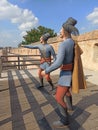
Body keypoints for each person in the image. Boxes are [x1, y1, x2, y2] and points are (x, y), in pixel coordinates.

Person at [41, 17, 79, 128]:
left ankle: (64, 120)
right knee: (67, 92)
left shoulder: (63, 44)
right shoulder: (72, 41)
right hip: (71, 73)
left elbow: (58, 63)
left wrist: (46, 71)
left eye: (61, 29)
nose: (59, 31)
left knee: (58, 97)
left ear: (65, 31)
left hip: (66, 74)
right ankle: (70, 107)